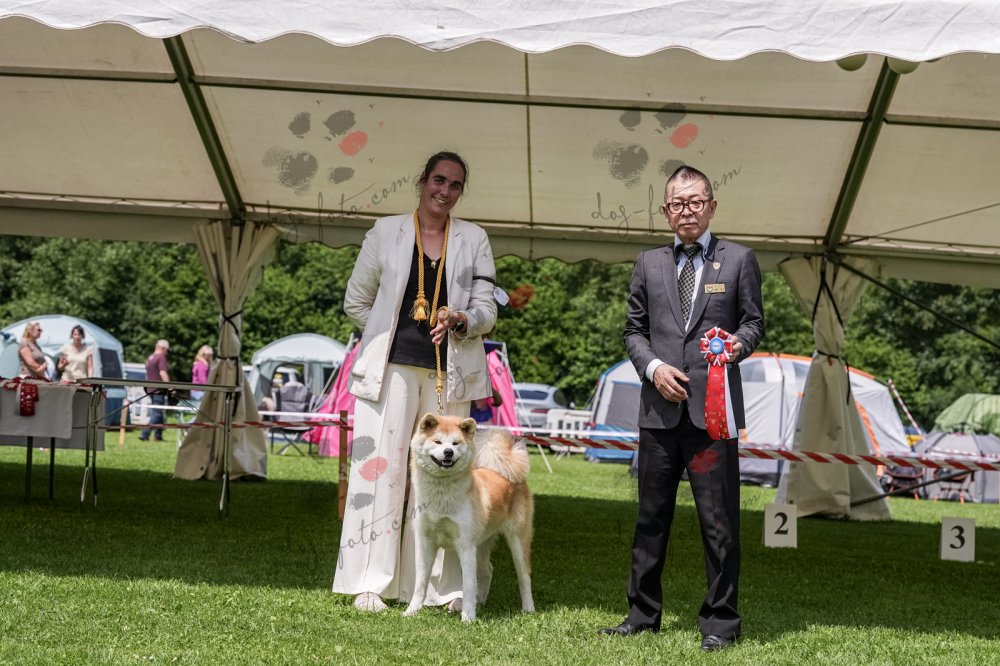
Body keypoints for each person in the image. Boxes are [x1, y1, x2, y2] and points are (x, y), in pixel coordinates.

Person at [599, 166, 765, 652]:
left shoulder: (739, 260)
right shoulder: (647, 263)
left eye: (695, 201)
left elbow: (754, 323)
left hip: (713, 417)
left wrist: (735, 347)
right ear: (665, 210)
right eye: (677, 203)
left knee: (719, 524)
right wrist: (653, 369)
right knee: (650, 520)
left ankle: (720, 624)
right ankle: (641, 616)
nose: (686, 210)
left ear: (712, 206)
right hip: (658, 415)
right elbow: (634, 330)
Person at [333, 151, 498, 613]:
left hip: (451, 373)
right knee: (380, 474)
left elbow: (488, 310)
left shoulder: (475, 238)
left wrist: (462, 319)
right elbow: (356, 301)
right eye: (439, 181)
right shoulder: (384, 232)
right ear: (422, 181)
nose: (445, 191)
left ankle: (444, 589)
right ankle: (371, 582)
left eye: (455, 185)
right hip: (390, 372)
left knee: (448, 480)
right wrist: (387, 334)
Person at [139, 339, 172, 442]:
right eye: (167, 350)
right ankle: (145, 434)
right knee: (157, 413)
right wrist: (170, 386)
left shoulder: (150, 358)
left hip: (150, 388)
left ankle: (158, 436)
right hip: (158, 389)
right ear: (163, 348)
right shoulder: (161, 357)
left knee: (159, 412)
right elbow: (162, 372)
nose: (167, 353)